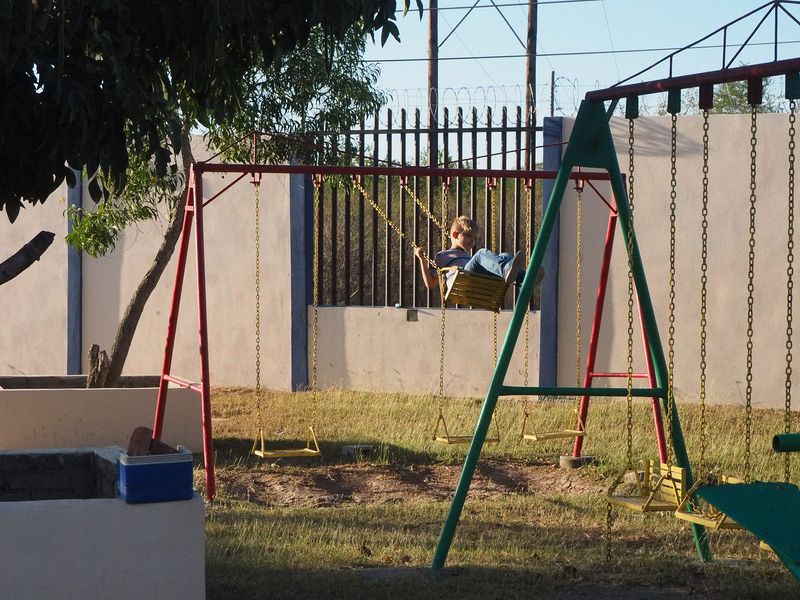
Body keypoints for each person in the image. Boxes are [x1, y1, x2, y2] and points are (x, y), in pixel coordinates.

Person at [414, 215, 527, 292]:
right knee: (481, 253)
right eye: (468, 235)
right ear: (455, 235)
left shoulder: (468, 257)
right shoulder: (443, 255)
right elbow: (431, 284)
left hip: (474, 279)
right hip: (461, 281)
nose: (472, 240)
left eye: (474, 238)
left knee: (505, 256)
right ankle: (506, 270)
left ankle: (524, 278)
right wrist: (422, 259)